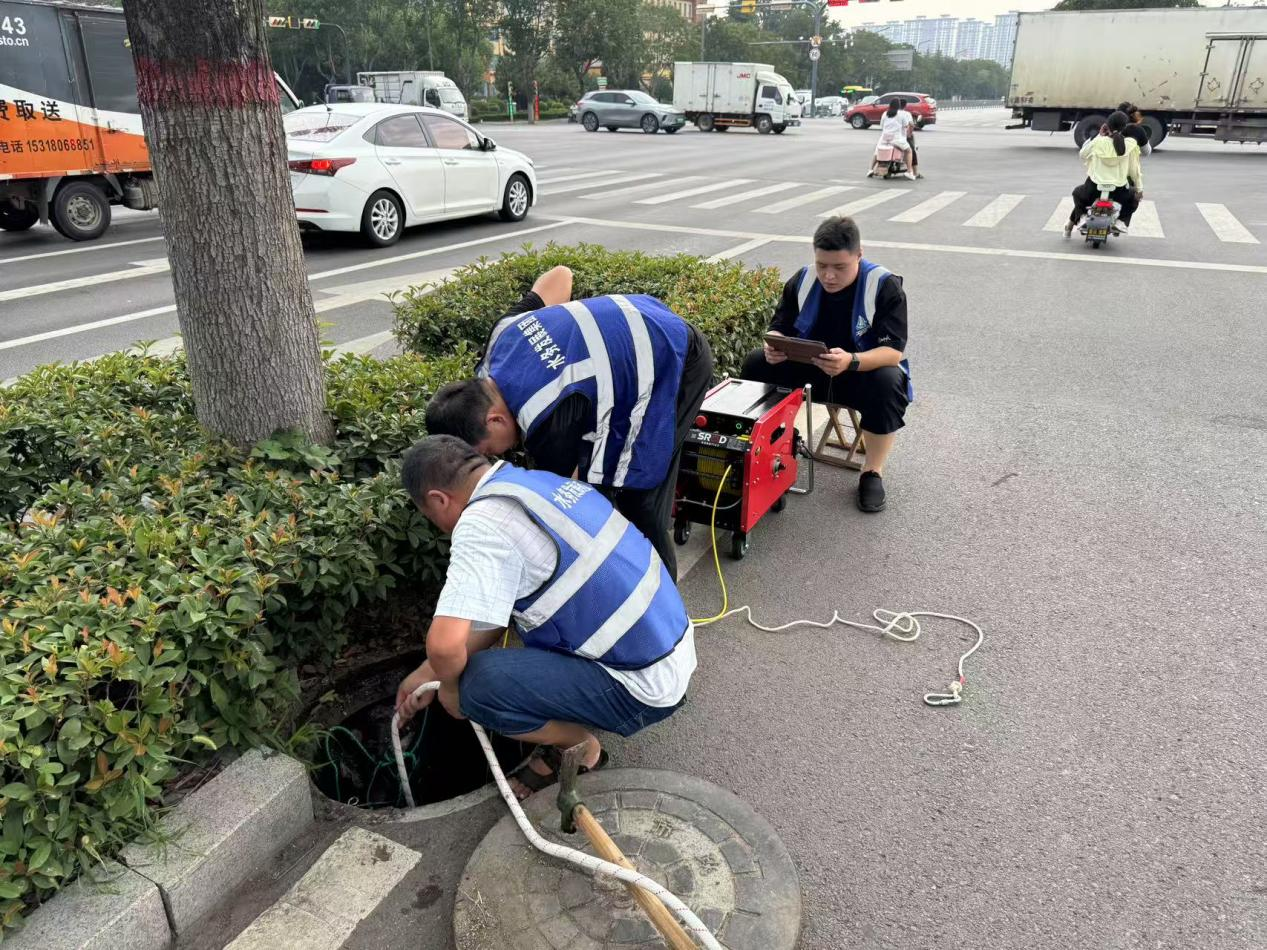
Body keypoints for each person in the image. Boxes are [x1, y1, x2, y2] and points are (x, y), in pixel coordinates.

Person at [394, 435, 696, 800]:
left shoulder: (481, 524)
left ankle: (581, 746)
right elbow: (490, 616)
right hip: (671, 650)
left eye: (431, 517)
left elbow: (444, 647)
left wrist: (452, 693)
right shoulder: (534, 483)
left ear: (438, 500)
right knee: (503, 643)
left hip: (642, 687)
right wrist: (426, 674)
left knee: (480, 686)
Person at [425, 266, 714, 579]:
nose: (497, 457)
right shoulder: (502, 337)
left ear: (493, 419)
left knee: (637, 492)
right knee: (607, 473)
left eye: (489, 451)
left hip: (676, 359)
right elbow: (561, 276)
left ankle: (663, 604)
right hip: (646, 313)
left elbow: (573, 504)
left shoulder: (546, 417)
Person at [740, 216, 911, 513]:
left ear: (859, 255)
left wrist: (851, 361)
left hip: (858, 372)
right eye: (822, 266)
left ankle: (872, 472)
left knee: (889, 380)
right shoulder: (803, 280)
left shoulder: (883, 286)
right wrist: (774, 346)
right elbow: (779, 326)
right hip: (808, 368)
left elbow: (892, 352)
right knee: (756, 362)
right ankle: (768, 448)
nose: (828, 276)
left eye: (839, 267)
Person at [1064, 110, 1142, 237]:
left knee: (1077, 193)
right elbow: (1134, 171)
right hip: (1119, 193)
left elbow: (1083, 154)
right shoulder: (1130, 145)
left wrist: (1099, 136)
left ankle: (1083, 217)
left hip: (1092, 190)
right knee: (1134, 198)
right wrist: (1139, 190)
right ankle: (1121, 221)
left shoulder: (1097, 142)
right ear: (1124, 127)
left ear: (1107, 126)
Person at [868, 98, 917, 182]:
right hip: (897, 139)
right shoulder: (901, 114)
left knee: (877, 151)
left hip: (884, 138)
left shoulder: (885, 113)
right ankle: (909, 171)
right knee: (909, 151)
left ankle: (870, 169)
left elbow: (882, 126)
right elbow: (906, 126)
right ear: (899, 105)